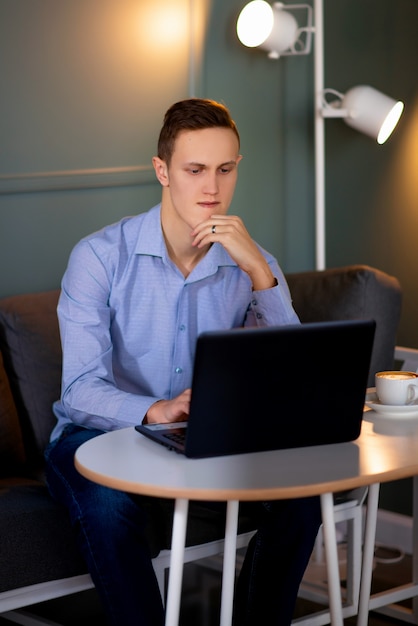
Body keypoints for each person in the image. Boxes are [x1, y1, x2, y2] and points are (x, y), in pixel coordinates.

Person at [44, 98, 322, 626]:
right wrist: (156, 410)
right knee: (107, 509)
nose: (211, 189)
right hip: (96, 437)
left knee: (302, 502)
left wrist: (262, 275)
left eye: (225, 170)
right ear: (162, 171)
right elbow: (79, 390)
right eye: (195, 170)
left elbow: (290, 377)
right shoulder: (100, 257)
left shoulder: (252, 263)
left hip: (204, 438)